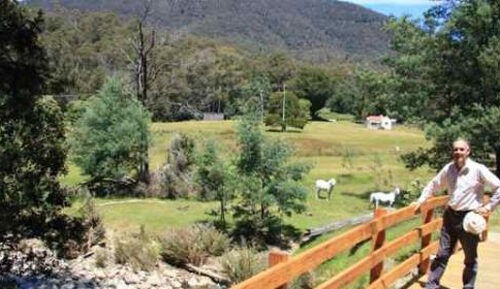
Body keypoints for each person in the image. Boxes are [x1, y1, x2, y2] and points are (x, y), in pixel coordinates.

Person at [411, 139, 500, 289]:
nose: (458, 152)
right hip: (450, 216)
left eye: (461, 149)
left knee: (470, 258)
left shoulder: (478, 169)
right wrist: (420, 200)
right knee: (442, 254)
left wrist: (489, 207)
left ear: (468, 151)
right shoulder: (449, 169)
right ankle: (431, 285)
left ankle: (468, 286)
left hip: (469, 219)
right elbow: (434, 184)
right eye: (455, 150)